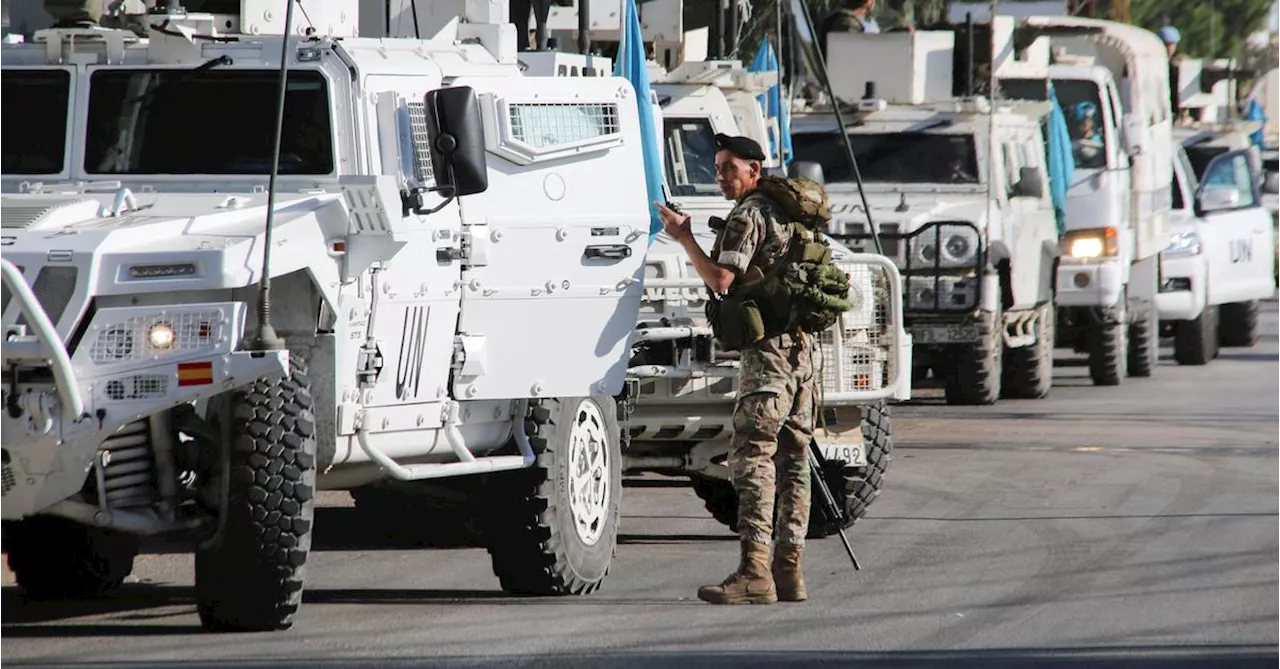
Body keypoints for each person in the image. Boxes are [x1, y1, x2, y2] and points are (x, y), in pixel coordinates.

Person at [653, 134, 817, 606]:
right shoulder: (787, 213)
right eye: (719, 167)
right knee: (793, 461)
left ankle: (754, 572)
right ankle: (789, 572)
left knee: (752, 460)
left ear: (754, 171)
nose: (721, 175)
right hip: (802, 355)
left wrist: (684, 237)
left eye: (729, 168)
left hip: (768, 358)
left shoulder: (749, 214)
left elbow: (722, 280)